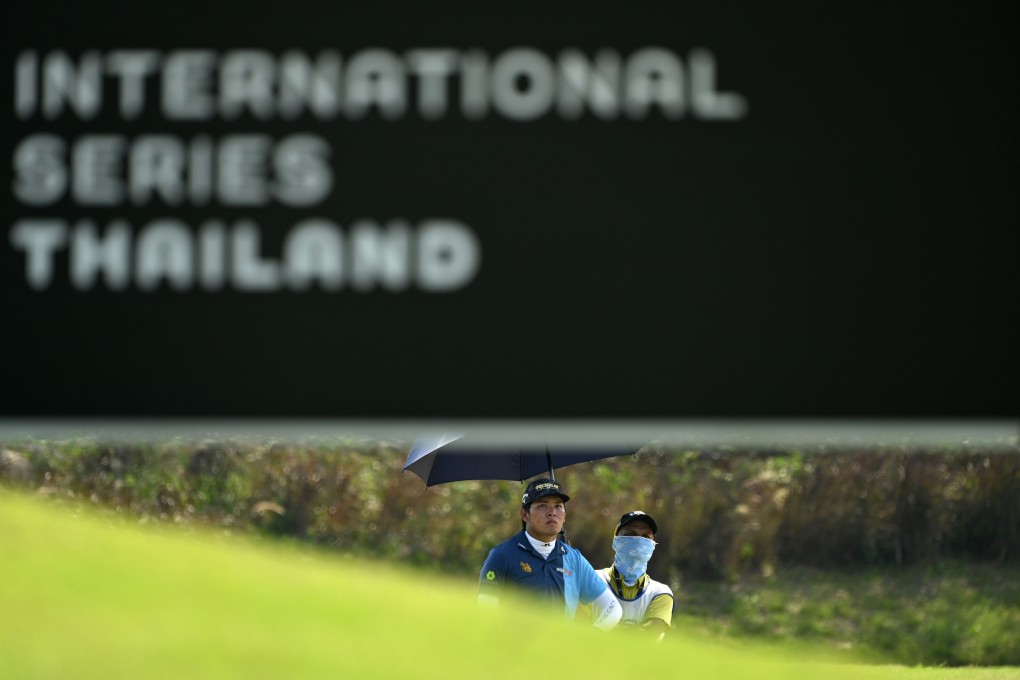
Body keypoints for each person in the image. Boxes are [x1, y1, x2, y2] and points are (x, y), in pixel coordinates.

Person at [477, 477, 622, 630]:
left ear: (564, 515)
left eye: (558, 506)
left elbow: (612, 607)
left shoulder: (574, 558)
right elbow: (485, 612)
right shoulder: (502, 555)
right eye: (542, 505)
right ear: (524, 514)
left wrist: (593, 634)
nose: (552, 512)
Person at [584, 510, 674, 641]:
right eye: (630, 534)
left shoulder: (660, 593)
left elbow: (646, 638)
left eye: (645, 537)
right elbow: (580, 630)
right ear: (615, 541)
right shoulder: (590, 580)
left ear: (653, 545)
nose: (638, 541)